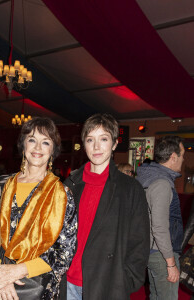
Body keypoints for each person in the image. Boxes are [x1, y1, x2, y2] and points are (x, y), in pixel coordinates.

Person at [0, 117, 77, 300]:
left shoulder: (62, 195)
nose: (37, 148)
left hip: (34, 286)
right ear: (23, 145)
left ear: (53, 150)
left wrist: (17, 271)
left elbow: (64, 253)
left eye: (45, 142)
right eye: (32, 140)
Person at [61, 113, 150, 300]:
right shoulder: (70, 184)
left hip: (107, 284)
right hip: (67, 282)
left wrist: (126, 280)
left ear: (115, 144)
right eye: (90, 139)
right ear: (83, 144)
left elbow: (139, 242)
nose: (96, 147)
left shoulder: (130, 188)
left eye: (103, 139)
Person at [137, 135, 185, 300]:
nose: (183, 159)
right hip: (161, 253)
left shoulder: (150, 177)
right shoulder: (162, 183)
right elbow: (159, 227)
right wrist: (170, 262)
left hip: (152, 250)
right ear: (173, 157)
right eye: (182, 155)